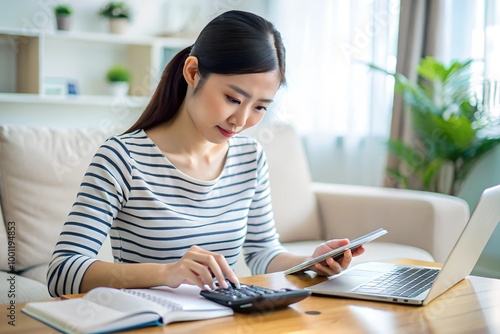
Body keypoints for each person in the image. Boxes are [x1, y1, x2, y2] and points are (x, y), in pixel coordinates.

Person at [47, 10, 364, 298]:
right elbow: (62, 272)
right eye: (232, 98)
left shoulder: (250, 158)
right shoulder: (121, 159)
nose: (241, 121)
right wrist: (169, 272)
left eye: (260, 107)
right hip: (147, 320)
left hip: (223, 319)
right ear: (193, 72)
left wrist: (310, 261)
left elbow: (263, 253)